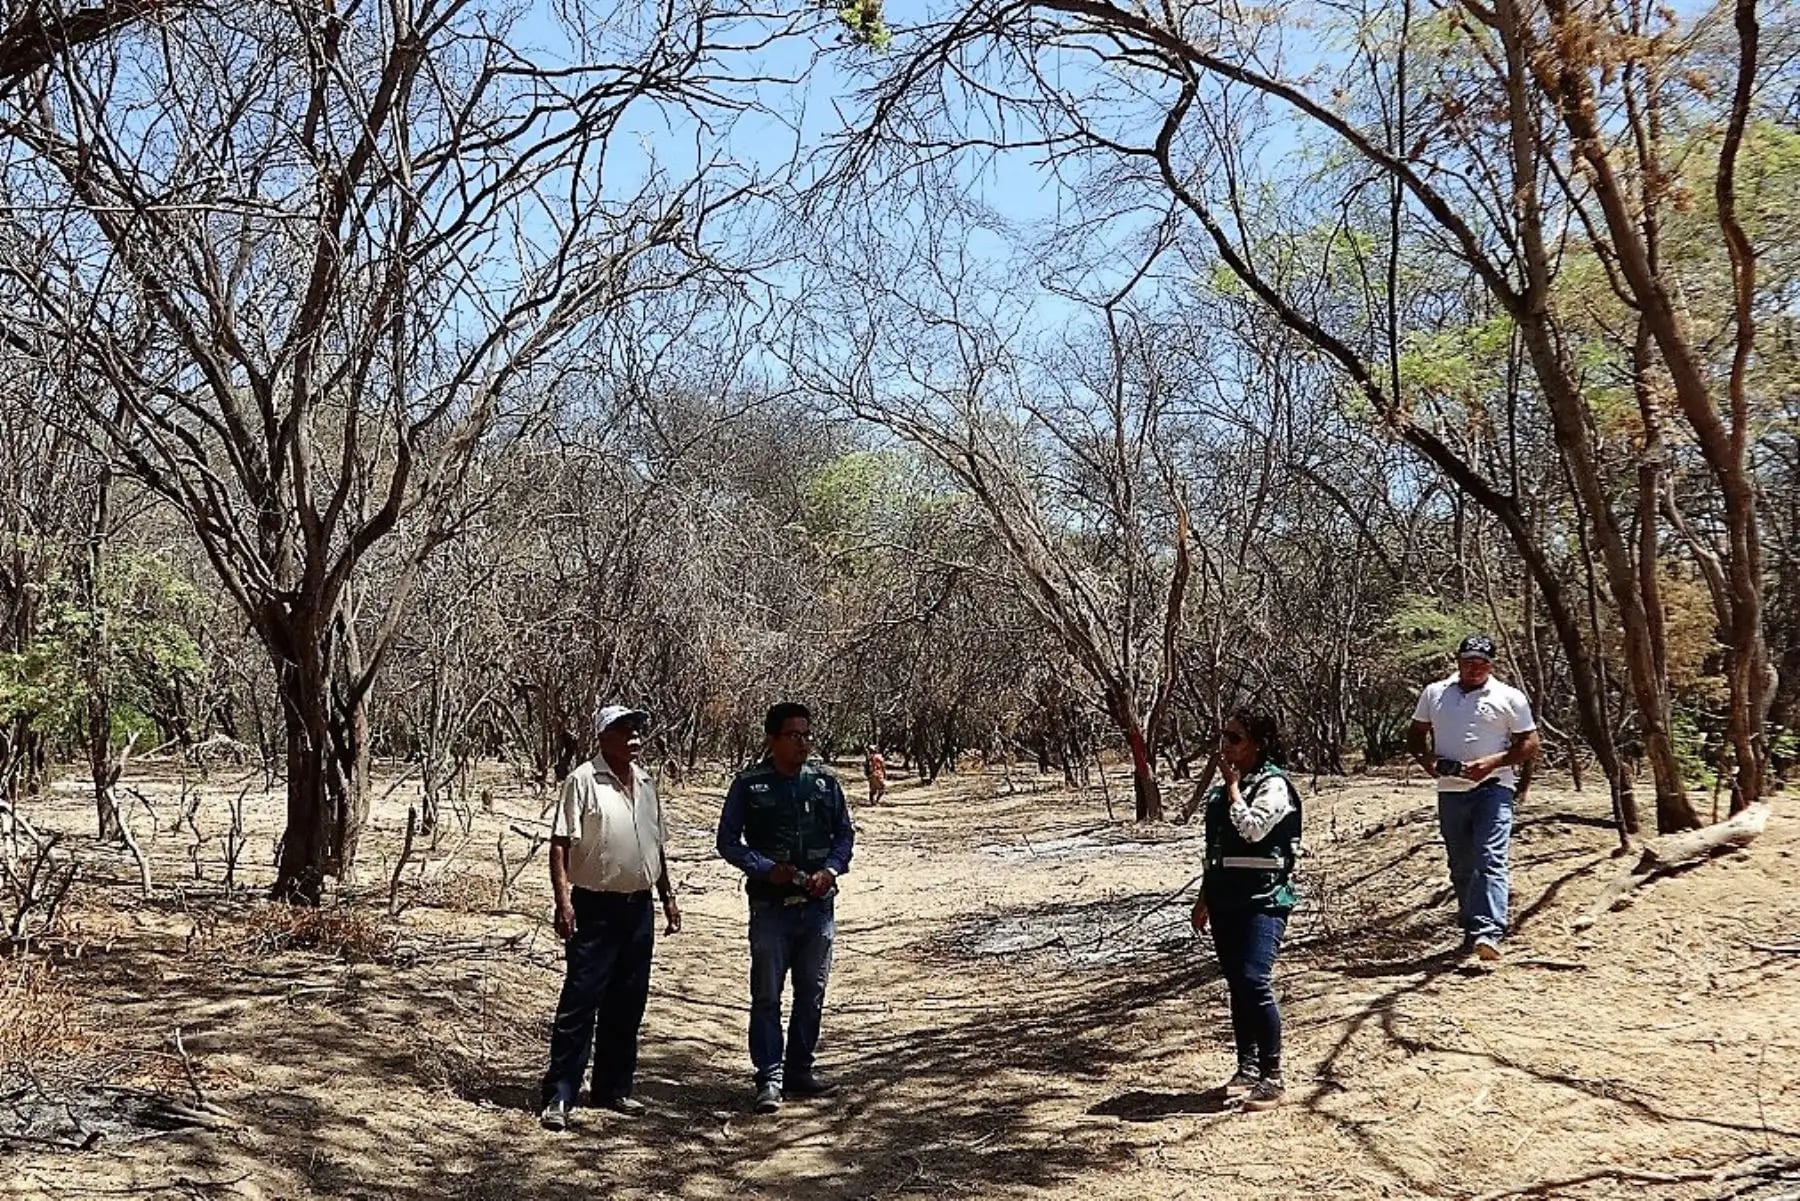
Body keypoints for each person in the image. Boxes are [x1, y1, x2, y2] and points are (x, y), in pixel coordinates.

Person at [539, 704, 681, 1130]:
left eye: (637, 729)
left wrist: (667, 896)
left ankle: (613, 1087)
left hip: (639, 908)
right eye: (624, 730)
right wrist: (563, 902)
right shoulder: (583, 780)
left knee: (629, 1000)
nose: (634, 737)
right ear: (603, 737)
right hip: (594, 908)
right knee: (581, 1001)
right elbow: (560, 843)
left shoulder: (646, 782)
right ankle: (560, 1093)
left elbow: (656, 846)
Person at [716, 702, 855, 1114]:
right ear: (772, 739)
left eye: (807, 734)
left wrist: (830, 870)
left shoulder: (825, 784)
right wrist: (764, 869)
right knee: (767, 995)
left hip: (817, 908)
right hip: (771, 907)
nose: (803, 742)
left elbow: (844, 837)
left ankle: (800, 1070)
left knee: (811, 992)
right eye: (793, 735)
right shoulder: (749, 784)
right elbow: (727, 841)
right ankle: (769, 1078)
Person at [1189, 708, 1303, 1112]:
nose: (1226, 745)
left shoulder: (1272, 786)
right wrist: (1204, 897)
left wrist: (1236, 790)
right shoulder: (1222, 791)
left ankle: (1273, 1076)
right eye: (1224, 736)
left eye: (1235, 738)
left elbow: (1253, 828)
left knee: (1255, 979)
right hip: (1225, 899)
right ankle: (1247, 1068)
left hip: (1264, 899)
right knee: (1238, 983)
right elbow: (1217, 851)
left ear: (1257, 742)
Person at [1407, 633, 1541, 963]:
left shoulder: (1509, 697)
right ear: (1458, 661)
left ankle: (1489, 930)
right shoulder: (1435, 693)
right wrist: (1430, 764)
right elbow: (1415, 735)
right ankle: (1471, 927)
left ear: (1491, 665)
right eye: (1469, 662)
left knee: (1489, 856)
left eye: (1482, 663)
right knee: (1461, 863)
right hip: (1450, 791)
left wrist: (1493, 762)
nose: (1475, 669)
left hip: (1494, 788)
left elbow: (1530, 744)